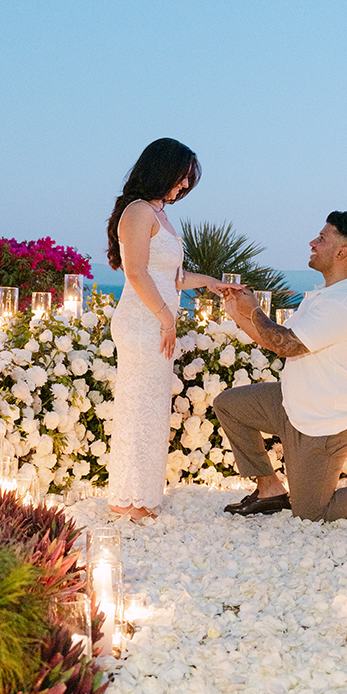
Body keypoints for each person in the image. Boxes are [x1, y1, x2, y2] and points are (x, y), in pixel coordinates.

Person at [214, 211, 347, 520]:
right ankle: (269, 490)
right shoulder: (325, 295)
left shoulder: (342, 304)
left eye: (321, 238)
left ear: (342, 252)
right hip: (293, 402)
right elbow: (276, 338)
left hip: (325, 421)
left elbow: (285, 344)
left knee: (312, 512)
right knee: (230, 405)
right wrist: (239, 312)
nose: (312, 243)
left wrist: (255, 310)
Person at [105, 138, 226, 521]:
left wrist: (211, 283)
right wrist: (165, 317)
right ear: (162, 170)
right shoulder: (138, 211)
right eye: (182, 176)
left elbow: (172, 276)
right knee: (137, 408)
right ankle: (128, 499)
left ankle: (142, 496)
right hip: (143, 322)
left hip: (156, 321)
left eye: (189, 179)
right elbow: (136, 271)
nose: (186, 186)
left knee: (152, 409)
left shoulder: (159, 215)